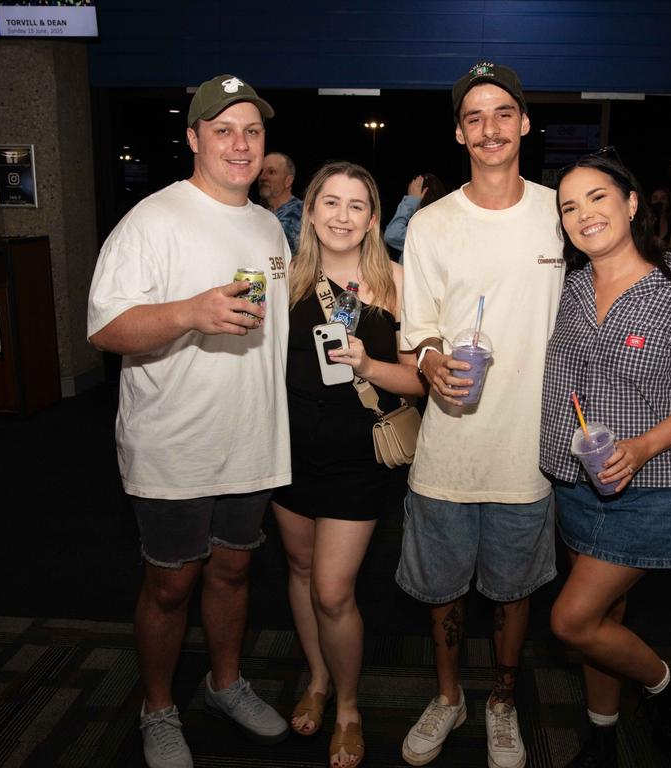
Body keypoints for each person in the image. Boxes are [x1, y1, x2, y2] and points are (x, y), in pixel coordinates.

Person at [87, 74, 291, 768]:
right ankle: (157, 706)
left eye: (253, 131)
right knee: (171, 583)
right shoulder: (153, 220)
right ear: (194, 138)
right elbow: (106, 329)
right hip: (174, 443)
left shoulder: (269, 226)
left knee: (234, 573)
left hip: (253, 439)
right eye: (224, 129)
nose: (240, 144)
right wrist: (187, 313)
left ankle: (225, 684)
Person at [540, 151, 671, 767]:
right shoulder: (573, 287)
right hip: (576, 480)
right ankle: (603, 733)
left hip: (650, 487)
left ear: (631, 204)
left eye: (598, 198)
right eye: (569, 207)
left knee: (572, 621)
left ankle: (669, 684)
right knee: (608, 612)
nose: (584, 215)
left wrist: (643, 445)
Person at [397, 61, 564, 768]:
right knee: (442, 592)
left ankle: (500, 700)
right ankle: (447, 697)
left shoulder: (563, 212)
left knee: (513, 590)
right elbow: (421, 329)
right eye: (475, 117)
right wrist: (431, 360)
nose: (490, 128)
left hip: (527, 448)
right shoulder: (433, 224)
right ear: (460, 133)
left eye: (503, 113)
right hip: (448, 448)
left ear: (524, 123)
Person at [272, 161, 425, 768]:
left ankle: (350, 707)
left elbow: (418, 381)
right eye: (329, 203)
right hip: (288, 454)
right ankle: (316, 677)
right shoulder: (284, 280)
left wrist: (365, 363)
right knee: (302, 570)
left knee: (334, 591)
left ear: (372, 217)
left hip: (358, 459)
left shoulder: (395, 282)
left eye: (356, 205)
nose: (341, 216)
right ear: (309, 212)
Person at [383, 173, 447, 257]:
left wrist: (411, 201)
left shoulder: (426, 232)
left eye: (411, 194)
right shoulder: (444, 226)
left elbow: (392, 234)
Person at [259, 151, 302, 254]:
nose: (262, 177)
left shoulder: (301, 213)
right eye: (261, 172)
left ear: (288, 181)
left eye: (271, 172)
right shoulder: (258, 211)